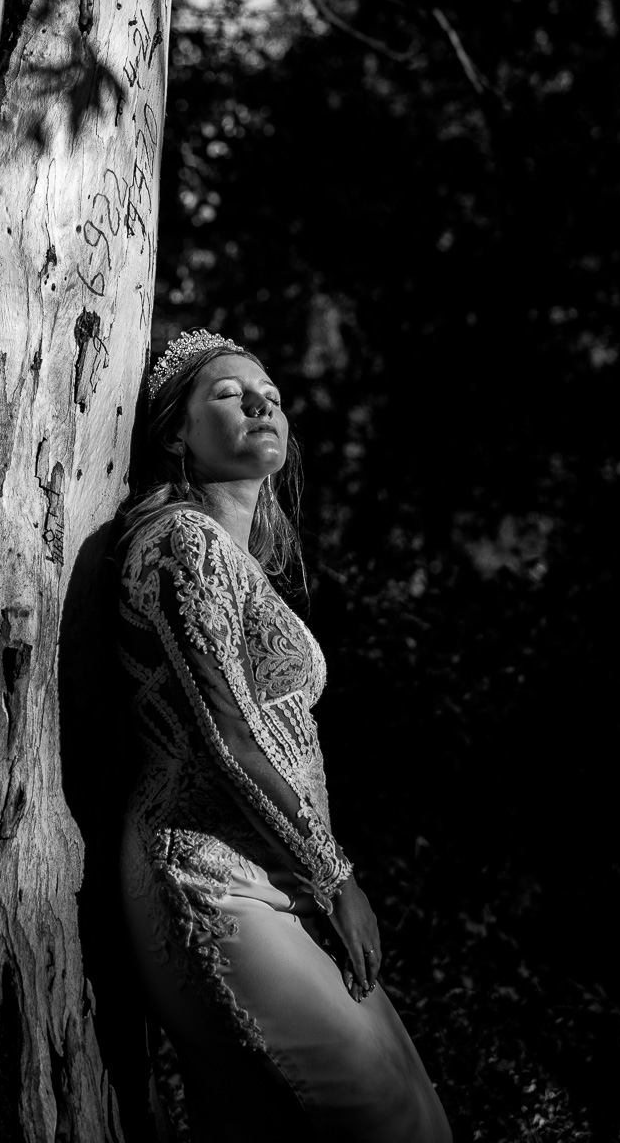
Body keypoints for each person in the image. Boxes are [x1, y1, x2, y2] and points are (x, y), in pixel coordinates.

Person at [116, 328, 451, 1142]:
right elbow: (227, 729)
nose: (261, 404)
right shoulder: (182, 540)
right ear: (177, 436)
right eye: (230, 395)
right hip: (212, 871)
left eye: (271, 394)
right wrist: (335, 877)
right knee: (389, 1121)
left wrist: (314, 877)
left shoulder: (238, 560)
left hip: (280, 872)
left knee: (395, 1119)